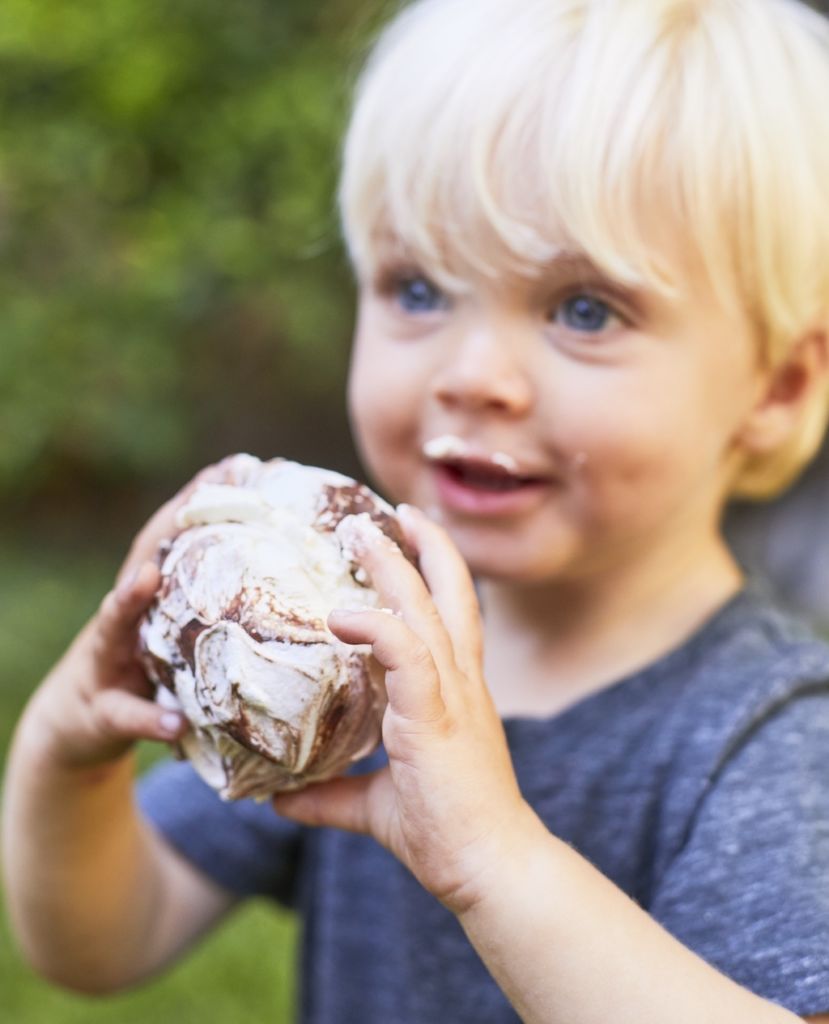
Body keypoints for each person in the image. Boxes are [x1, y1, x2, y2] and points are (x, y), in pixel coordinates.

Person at [4, 0, 829, 1021]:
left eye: (584, 309)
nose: (473, 375)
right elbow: (104, 937)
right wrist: (66, 754)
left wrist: (491, 856)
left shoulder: (766, 737)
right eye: (418, 288)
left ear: (776, 389)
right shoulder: (351, 654)